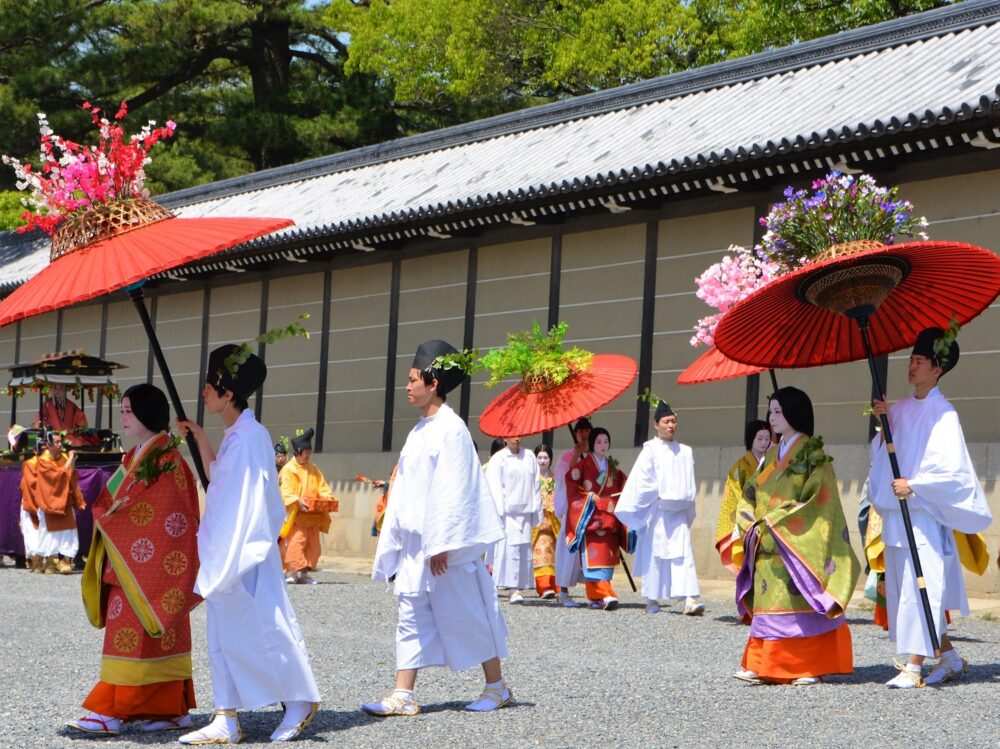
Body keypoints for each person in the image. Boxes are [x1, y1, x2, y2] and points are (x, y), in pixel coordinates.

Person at [176, 345, 320, 744]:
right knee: (225, 635)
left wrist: (237, 553)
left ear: (228, 393)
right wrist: (202, 437)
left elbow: (253, 505)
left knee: (266, 626)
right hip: (228, 547)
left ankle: (299, 699)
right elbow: (217, 478)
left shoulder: (252, 437)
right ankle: (226, 715)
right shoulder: (238, 436)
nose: (203, 392)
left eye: (209, 387)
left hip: (245, 551)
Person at [363, 339, 510, 717]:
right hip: (416, 544)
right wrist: (395, 538)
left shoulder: (451, 429)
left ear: (433, 383)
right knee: (409, 616)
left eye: (413, 379)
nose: (407, 386)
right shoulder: (419, 430)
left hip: (443, 546)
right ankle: (403, 694)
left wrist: (443, 542)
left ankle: (497, 687)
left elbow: (454, 488)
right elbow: (406, 487)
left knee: (466, 612)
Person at [67, 384, 201, 736]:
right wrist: (110, 518)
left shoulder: (167, 461)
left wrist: (115, 521)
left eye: (128, 410)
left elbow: (170, 517)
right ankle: (170, 709)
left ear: (146, 413)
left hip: (148, 566)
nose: (122, 416)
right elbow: (111, 503)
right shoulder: (138, 458)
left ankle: (110, 711)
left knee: (129, 635)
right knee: (145, 637)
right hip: (132, 563)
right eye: (123, 409)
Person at [869, 328, 992, 688]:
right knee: (907, 584)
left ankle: (914, 665)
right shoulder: (902, 409)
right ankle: (949, 657)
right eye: (911, 360)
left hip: (924, 512)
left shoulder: (944, 412)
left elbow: (951, 469)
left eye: (920, 361)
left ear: (937, 369)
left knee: (920, 585)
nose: (912, 366)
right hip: (898, 510)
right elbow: (888, 455)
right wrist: (885, 423)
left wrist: (917, 484)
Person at [732, 387, 860, 686]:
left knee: (797, 610)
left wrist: (777, 521)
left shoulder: (814, 454)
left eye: (778, 411)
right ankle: (761, 663)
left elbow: (820, 500)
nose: (771, 418)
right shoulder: (772, 455)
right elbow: (751, 492)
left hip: (794, 543)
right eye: (770, 411)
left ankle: (808, 665)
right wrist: (750, 522)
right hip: (766, 538)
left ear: (794, 412)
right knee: (769, 607)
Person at [616, 401, 705, 616]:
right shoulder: (650, 450)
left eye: (673, 421)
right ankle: (652, 599)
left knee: (683, 554)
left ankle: (689, 599)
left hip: (679, 511)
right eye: (666, 422)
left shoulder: (685, 451)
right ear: (656, 425)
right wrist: (659, 493)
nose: (670, 426)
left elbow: (689, 479)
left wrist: (684, 496)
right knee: (656, 554)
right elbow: (641, 481)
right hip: (658, 510)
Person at [565, 427, 635, 611]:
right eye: (599, 442)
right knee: (593, 559)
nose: (603, 445)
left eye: (606, 441)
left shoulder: (613, 468)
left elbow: (624, 483)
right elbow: (572, 485)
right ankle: (605, 594)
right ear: (592, 444)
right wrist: (587, 496)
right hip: (590, 517)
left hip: (609, 517)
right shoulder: (582, 467)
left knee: (606, 557)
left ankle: (595, 597)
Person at [279, 428, 339, 585]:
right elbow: (285, 489)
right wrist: (297, 500)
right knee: (296, 543)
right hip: (296, 514)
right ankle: (292, 572)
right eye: (305, 452)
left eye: (308, 452)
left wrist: (327, 498)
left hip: (312, 514)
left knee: (312, 545)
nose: (307, 455)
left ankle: (304, 574)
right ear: (298, 451)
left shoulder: (313, 469)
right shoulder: (288, 470)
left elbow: (322, 487)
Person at [485, 436, 542, 604]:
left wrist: (536, 506)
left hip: (525, 510)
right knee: (508, 550)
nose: (516, 439)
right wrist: (499, 510)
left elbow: (536, 482)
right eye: (512, 435)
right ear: (505, 438)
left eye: (519, 435)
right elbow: (494, 485)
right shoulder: (499, 458)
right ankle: (510, 588)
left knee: (523, 550)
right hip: (508, 512)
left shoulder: (530, 456)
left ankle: (518, 586)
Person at [19, 430, 85, 574]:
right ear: (48, 444)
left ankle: (66, 561)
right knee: (46, 534)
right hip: (48, 502)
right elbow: (57, 476)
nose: (60, 444)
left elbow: (68, 474)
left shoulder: (62, 457)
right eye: (57, 442)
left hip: (64, 501)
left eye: (61, 441)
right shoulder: (42, 460)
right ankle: (48, 561)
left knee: (69, 532)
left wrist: (71, 461)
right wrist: (69, 461)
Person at [716, 420, 770, 573]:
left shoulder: (773, 463)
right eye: (759, 438)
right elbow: (734, 493)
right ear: (751, 439)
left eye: (767, 438)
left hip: (770, 518)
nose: (764, 443)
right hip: (748, 519)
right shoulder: (740, 467)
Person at [553, 417, 591, 607]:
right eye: (580, 431)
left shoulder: (594, 455)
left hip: (591, 506)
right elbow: (563, 479)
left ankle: (596, 590)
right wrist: (576, 456)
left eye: (587, 430)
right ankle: (564, 590)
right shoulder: (566, 457)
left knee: (592, 546)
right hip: (573, 506)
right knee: (569, 545)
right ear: (576, 434)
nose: (584, 434)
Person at [531, 444, 560, 599]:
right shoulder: (531, 480)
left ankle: (554, 585)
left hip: (553, 522)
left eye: (546, 457)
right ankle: (544, 587)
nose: (542, 461)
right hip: (537, 522)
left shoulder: (555, 479)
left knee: (553, 555)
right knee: (541, 553)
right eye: (539, 457)